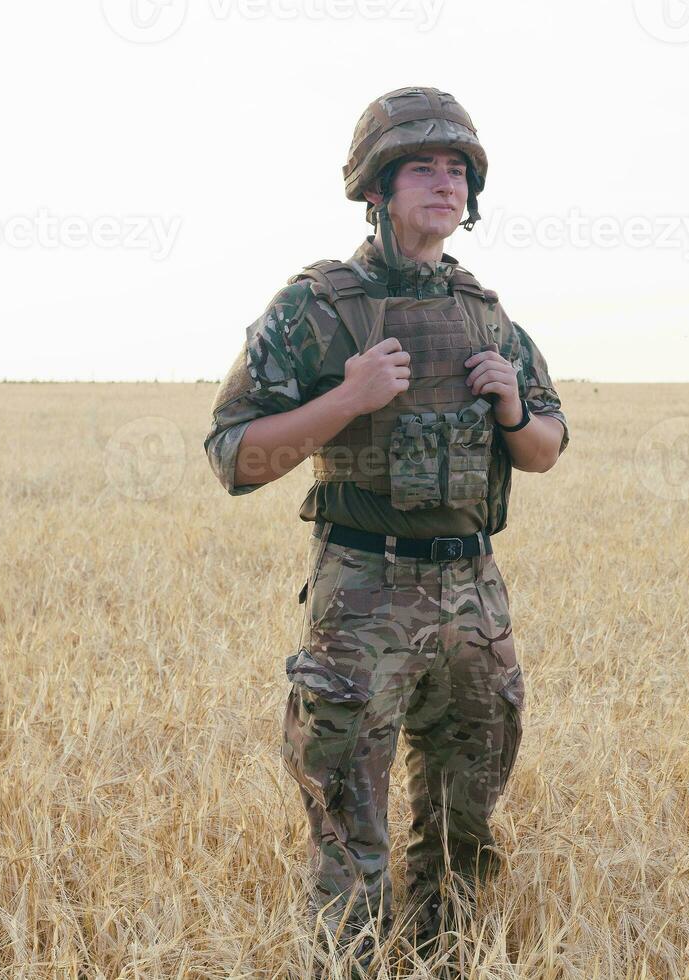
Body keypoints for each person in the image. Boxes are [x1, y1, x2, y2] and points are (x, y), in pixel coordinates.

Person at [204, 85, 569, 971]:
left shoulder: (488, 313)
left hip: (475, 600)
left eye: (458, 171)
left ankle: (450, 964)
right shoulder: (315, 309)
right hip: (363, 596)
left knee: (463, 835)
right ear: (376, 187)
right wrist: (348, 397)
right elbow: (234, 456)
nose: (445, 185)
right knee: (349, 834)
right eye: (423, 168)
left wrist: (515, 408)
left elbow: (546, 448)